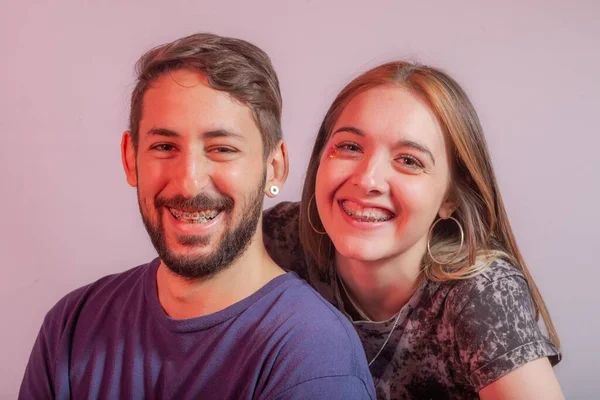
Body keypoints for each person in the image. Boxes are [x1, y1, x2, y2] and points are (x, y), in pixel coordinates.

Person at [19, 33, 375, 400]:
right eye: (164, 146)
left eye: (222, 149)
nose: (189, 183)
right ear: (130, 158)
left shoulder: (312, 356)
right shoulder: (72, 325)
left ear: (274, 167)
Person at [264, 61, 563, 399]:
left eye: (409, 160)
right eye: (349, 146)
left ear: (450, 196)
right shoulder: (278, 239)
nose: (368, 179)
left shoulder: (480, 293)